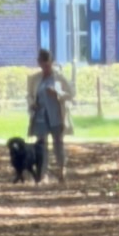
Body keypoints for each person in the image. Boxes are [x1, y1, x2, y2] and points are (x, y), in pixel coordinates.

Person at [27, 47, 72, 184]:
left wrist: (57, 94)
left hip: (56, 116)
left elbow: (70, 93)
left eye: (48, 65)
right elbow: (29, 95)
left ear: (52, 62)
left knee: (58, 144)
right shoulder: (34, 79)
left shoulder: (58, 78)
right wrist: (32, 104)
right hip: (40, 117)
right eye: (43, 65)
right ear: (39, 63)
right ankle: (42, 173)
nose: (46, 68)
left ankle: (61, 169)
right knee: (42, 145)